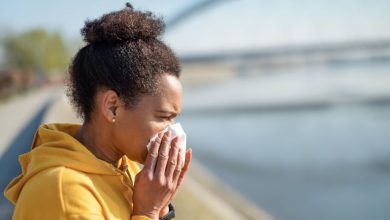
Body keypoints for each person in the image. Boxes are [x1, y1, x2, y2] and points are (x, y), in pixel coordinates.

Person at [4, 3, 192, 220]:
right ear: (113, 107)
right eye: (163, 118)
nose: (172, 132)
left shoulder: (126, 167)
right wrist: (147, 212)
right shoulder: (63, 192)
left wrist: (161, 207)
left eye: (174, 119)